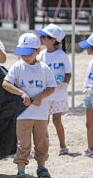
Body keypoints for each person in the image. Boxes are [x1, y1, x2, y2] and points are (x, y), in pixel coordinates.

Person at [2, 33, 56, 178]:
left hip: (41, 114)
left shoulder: (44, 68)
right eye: (22, 53)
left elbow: (51, 87)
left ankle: (41, 168)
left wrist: (40, 97)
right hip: (23, 114)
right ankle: (21, 171)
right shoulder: (17, 66)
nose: (24, 56)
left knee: (42, 142)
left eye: (28, 53)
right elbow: (6, 83)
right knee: (23, 143)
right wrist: (22, 93)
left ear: (37, 51)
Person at [35, 24, 71, 156]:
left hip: (59, 94)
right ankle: (44, 146)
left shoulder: (62, 55)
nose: (41, 38)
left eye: (44, 36)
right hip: (45, 94)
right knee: (44, 121)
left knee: (57, 120)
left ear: (53, 40)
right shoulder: (42, 55)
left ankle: (63, 146)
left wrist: (65, 84)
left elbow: (68, 73)